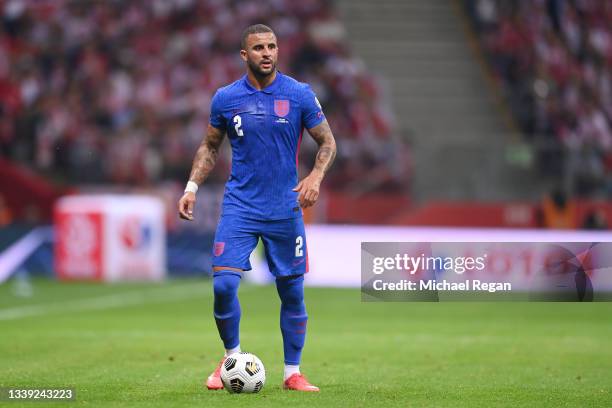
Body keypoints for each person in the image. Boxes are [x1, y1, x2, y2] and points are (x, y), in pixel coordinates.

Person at [177, 24, 336, 392]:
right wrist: (191, 186)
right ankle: (231, 358)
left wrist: (315, 177)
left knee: (292, 293)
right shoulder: (226, 98)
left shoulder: (298, 94)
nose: (267, 53)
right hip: (240, 207)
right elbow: (210, 146)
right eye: (259, 48)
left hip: (285, 207)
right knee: (224, 286)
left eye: (272, 46)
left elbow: (327, 142)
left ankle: (292, 373)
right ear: (244, 55)